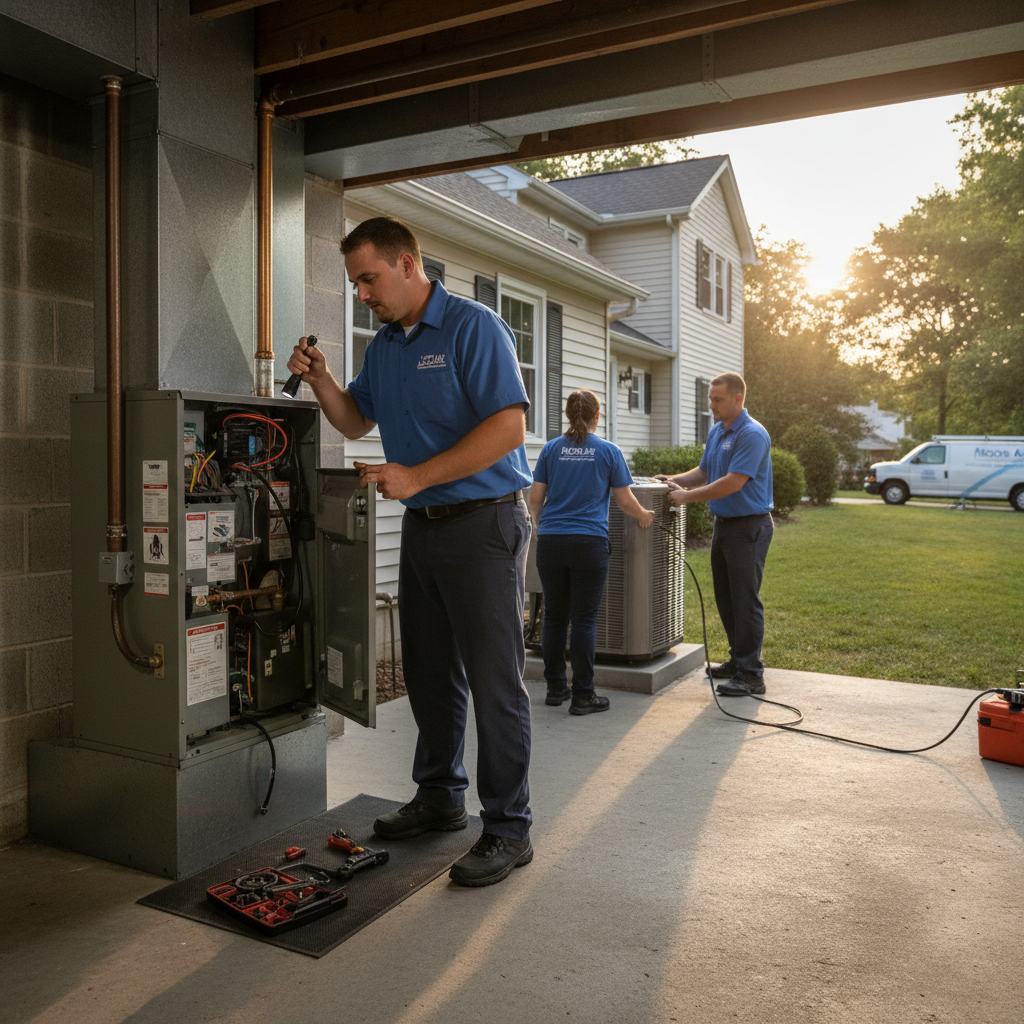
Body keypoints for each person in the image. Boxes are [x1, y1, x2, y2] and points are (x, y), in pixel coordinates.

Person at [286, 216, 534, 887]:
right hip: (426, 529)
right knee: (427, 671)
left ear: (406, 263)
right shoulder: (388, 346)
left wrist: (417, 476)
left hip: (484, 526)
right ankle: (440, 796)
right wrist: (323, 379)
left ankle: (509, 827)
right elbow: (355, 419)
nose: (361, 293)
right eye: (354, 283)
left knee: (493, 680)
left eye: (368, 278)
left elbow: (511, 427)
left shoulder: (472, 327)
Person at [529, 390, 655, 715]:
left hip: (552, 542)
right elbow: (625, 500)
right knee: (583, 620)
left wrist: (541, 528)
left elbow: (535, 499)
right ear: (597, 416)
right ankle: (583, 695)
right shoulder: (608, 451)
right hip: (589, 543)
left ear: (568, 415)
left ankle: (556, 688)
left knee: (554, 617)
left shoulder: (550, 449)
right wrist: (643, 515)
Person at [656, 373, 773, 697]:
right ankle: (738, 661)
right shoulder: (718, 431)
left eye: (718, 400)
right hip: (725, 524)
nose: (711, 405)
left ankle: (752, 673)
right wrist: (671, 480)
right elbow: (706, 472)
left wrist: (686, 497)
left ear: (738, 399)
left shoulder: (751, 434)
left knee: (745, 600)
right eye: (710, 399)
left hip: (749, 526)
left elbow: (733, 482)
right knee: (726, 598)